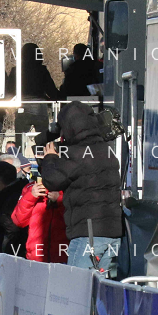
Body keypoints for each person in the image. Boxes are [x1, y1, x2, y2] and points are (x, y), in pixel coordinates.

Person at [40, 101, 123, 276]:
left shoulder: (78, 154)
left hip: (89, 235)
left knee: (76, 286)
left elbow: (52, 180)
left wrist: (50, 158)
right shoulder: (105, 149)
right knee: (102, 288)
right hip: (112, 233)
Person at [12, 174, 68, 263]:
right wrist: (31, 196)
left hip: (63, 255)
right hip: (36, 256)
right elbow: (18, 220)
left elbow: (75, 219)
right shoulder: (30, 187)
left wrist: (60, 199)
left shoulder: (69, 187)